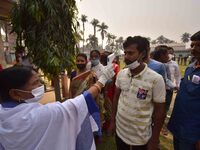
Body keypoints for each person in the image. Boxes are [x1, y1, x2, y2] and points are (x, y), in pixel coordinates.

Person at [0, 66, 114, 150]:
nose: (41, 86)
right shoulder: (42, 115)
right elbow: (79, 103)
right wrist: (101, 81)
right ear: (15, 93)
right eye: (35, 83)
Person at [109, 36, 166, 150]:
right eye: (125, 53)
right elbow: (116, 98)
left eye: (130, 53)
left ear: (143, 54)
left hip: (140, 138)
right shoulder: (121, 74)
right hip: (120, 132)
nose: (126, 57)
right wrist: (113, 121)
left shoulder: (156, 79)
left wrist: (154, 140)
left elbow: (160, 112)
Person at [168, 31, 200, 150]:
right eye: (192, 45)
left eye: (198, 45)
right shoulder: (191, 67)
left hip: (194, 131)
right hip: (180, 124)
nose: (193, 49)